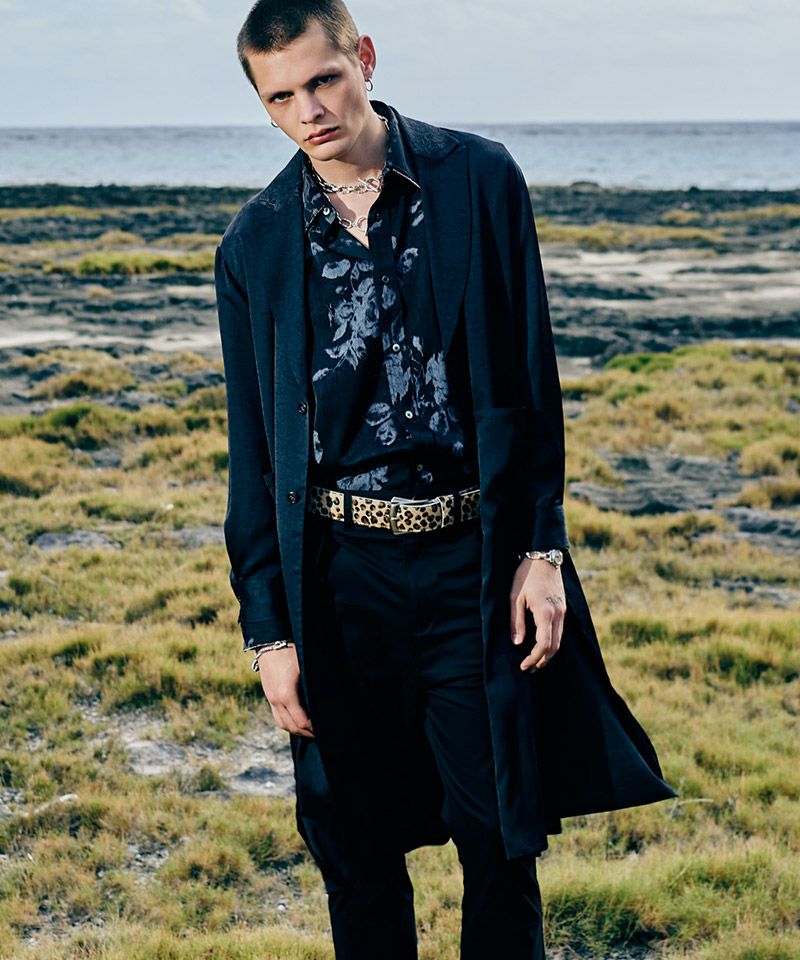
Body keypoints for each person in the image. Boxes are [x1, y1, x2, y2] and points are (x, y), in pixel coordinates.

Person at [214, 2, 678, 958]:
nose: (309, 111)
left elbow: (530, 380)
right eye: (281, 97)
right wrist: (269, 633)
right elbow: (253, 455)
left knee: (499, 838)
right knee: (355, 852)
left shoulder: (479, 179)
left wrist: (542, 549)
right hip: (339, 582)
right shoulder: (255, 243)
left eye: (323, 80)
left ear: (364, 58)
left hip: (472, 563)